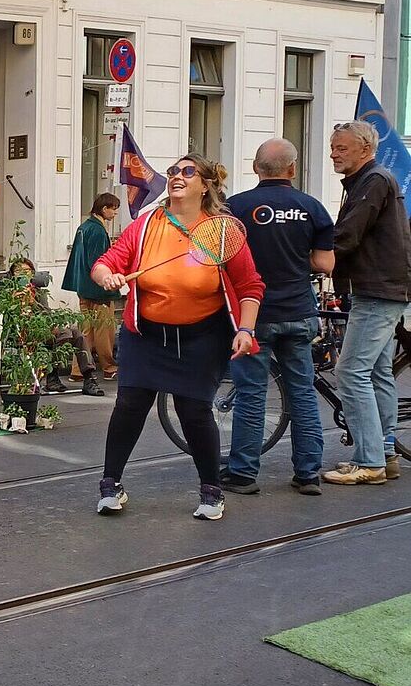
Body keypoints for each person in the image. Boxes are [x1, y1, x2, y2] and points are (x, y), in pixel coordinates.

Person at [91, 153, 264, 520]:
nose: (177, 176)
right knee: (129, 405)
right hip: (146, 336)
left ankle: (211, 491)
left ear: (205, 185)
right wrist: (107, 275)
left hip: (201, 337)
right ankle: (110, 485)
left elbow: (250, 285)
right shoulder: (146, 224)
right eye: (173, 171)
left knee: (194, 411)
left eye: (188, 172)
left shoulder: (220, 231)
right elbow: (107, 261)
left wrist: (246, 329)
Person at [224, 139, 335, 496]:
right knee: (302, 392)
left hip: (251, 316)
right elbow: (324, 264)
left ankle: (243, 472)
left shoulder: (235, 208)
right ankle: (307, 473)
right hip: (299, 311)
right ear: (292, 169)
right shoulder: (313, 208)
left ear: (256, 168)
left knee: (252, 393)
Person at [321, 120, 411, 485]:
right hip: (384, 286)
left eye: (341, 148)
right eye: (333, 147)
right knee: (376, 373)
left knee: (350, 371)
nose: (334, 153)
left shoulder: (373, 181)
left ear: (365, 149)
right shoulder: (370, 180)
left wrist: (315, 257)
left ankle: (369, 459)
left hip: (377, 288)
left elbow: (348, 234)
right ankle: (385, 453)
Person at [6, 258, 105, 397]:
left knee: (76, 333)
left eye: (27, 271)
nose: (23, 274)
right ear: (13, 274)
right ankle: (52, 375)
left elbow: (46, 313)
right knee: (65, 334)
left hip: (44, 326)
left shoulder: (38, 291)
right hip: (26, 331)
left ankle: (89, 378)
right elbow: (12, 317)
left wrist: (35, 302)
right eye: (19, 271)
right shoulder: (9, 292)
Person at [62, 193, 122, 382]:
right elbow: (97, 262)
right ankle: (109, 367)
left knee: (85, 332)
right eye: (113, 208)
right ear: (104, 209)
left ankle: (79, 370)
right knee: (105, 330)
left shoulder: (83, 227)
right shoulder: (96, 230)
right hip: (98, 289)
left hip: (83, 287)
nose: (115, 213)